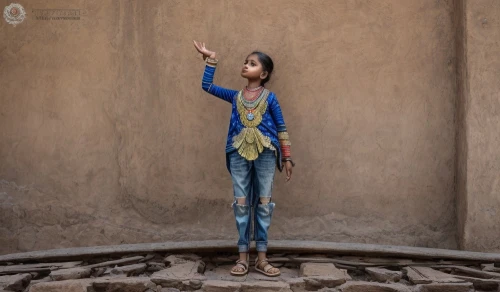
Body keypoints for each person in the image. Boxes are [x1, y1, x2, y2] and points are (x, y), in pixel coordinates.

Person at [193, 41, 295, 277]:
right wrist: (211, 59)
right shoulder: (235, 96)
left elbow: (281, 127)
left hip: (267, 152)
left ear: (264, 73)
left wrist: (287, 157)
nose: (246, 66)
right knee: (241, 204)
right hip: (237, 151)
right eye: (245, 62)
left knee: (264, 204)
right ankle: (242, 259)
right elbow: (207, 85)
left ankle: (261, 258)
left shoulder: (270, 98)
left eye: (252, 63)